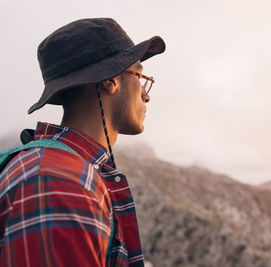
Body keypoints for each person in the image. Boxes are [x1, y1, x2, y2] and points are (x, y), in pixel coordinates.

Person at [0, 18, 165, 266]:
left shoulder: (61, 170)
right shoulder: (60, 181)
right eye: (139, 76)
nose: (146, 95)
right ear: (110, 81)